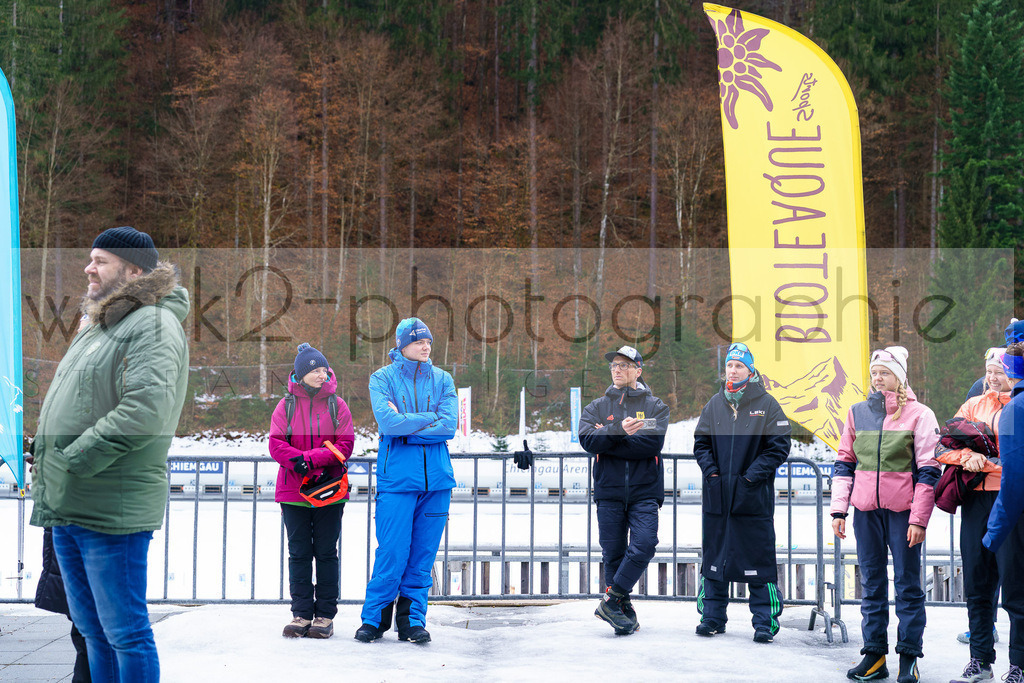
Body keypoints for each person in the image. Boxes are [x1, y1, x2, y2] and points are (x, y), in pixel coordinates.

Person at [29, 226, 189, 682]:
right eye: (90, 258)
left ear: (133, 270)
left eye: (100, 260)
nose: (88, 267)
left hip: (109, 507)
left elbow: (145, 411)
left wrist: (74, 458)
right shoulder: (99, 324)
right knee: (92, 632)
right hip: (71, 504)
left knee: (125, 634)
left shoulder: (153, 323)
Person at [831, 346, 940, 683]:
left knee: (908, 586)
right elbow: (845, 462)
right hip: (865, 513)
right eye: (874, 373)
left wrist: (918, 519)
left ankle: (908, 657)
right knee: (871, 583)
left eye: (885, 373)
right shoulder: (856, 412)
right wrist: (839, 510)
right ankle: (874, 655)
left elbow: (929, 470)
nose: (878, 379)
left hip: (903, 514)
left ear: (899, 378)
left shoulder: (920, 414)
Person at [355, 317, 457, 644]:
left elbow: (449, 426)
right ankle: (375, 619)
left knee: (422, 556)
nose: (425, 346)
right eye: (417, 341)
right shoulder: (381, 378)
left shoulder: (443, 379)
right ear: (402, 345)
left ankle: (412, 620)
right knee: (392, 552)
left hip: (437, 482)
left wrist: (408, 426)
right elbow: (388, 423)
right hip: (397, 481)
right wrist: (428, 420)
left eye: (428, 341)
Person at [693, 342, 791, 644]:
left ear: (750, 370)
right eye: (729, 366)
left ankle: (764, 623)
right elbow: (701, 443)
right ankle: (712, 617)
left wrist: (750, 478)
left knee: (758, 561)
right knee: (715, 559)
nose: (733, 371)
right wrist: (711, 473)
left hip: (752, 498)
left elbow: (779, 446)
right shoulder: (714, 404)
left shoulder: (768, 404)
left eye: (739, 366)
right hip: (718, 498)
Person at [577, 345, 670, 635]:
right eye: (614, 365)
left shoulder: (656, 406)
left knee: (644, 544)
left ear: (638, 371)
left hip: (644, 491)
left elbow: (651, 444)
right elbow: (587, 441)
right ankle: (620, 610)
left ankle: (611, 600)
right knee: (613, 554)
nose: (617, 369)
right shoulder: (597, 406)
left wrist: (610, 439)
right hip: (609, 492)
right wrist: (619, 430)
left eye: (624, 365)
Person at [269, 343, 355, 639]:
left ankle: (325, 616)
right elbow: (276, 445)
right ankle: (302, 613)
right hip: (293, 493)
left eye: (324, 369)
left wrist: (309, 459)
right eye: (316, 370)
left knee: (326, 553)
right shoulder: (286, 406)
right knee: (299, 554)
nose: (322, 374)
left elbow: (345, 446)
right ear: (301, 374)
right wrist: (306, 461)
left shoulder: (337, 405)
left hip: (329, 491)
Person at [942, 348, 1011, 682]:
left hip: (1012, 499)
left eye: (999, 371)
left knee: (1015, 585)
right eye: (989, 371)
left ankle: (1019, 665)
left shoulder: (1020, 405)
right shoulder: (974, 404)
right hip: (976, 502)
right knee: (977, 584)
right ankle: (980, 661)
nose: (992, 377)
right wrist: (966, 455)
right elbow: (942, 447)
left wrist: (987, 463)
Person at [983, 342, 1024, 683]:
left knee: (1018, 595)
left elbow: (1014, 478)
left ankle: (1019, 667)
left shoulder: (1014, 409)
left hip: (1019, 519)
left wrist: (994, 532)